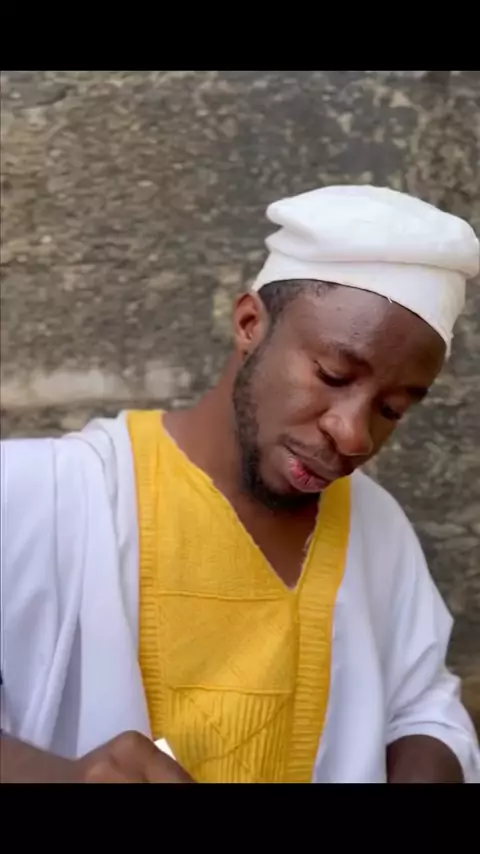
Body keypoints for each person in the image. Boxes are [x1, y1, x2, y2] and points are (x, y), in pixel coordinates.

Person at [1, 184, 479, 784]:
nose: (354, 434)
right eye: (333, 376)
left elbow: (423, 707)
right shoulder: (37, 495)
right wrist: (54, 777)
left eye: (392, 409)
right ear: (250, 323)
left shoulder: (377, 528)